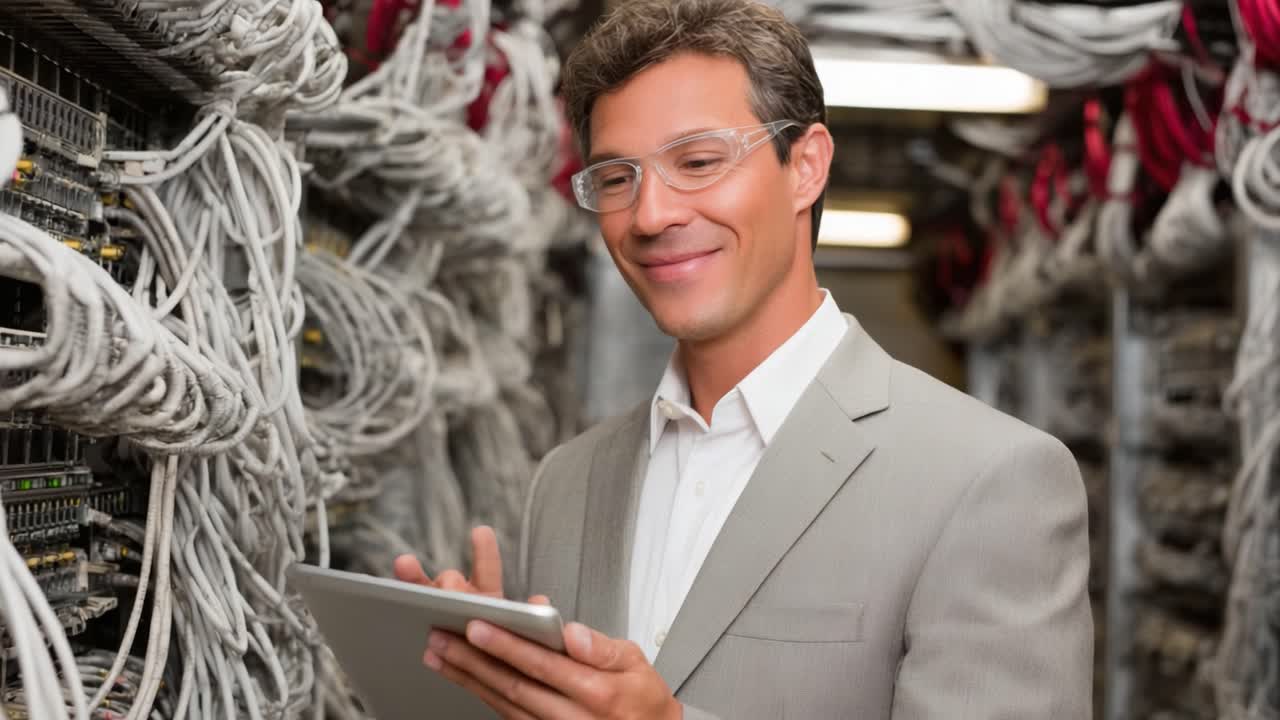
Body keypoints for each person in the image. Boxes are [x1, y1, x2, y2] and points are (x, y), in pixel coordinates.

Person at [393, 0, 1094, 717]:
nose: (651, 215)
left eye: (697, 162)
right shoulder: (567, 483)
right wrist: (492, 690)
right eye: (614, 178)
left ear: (807, 166)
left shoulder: (990, 482)